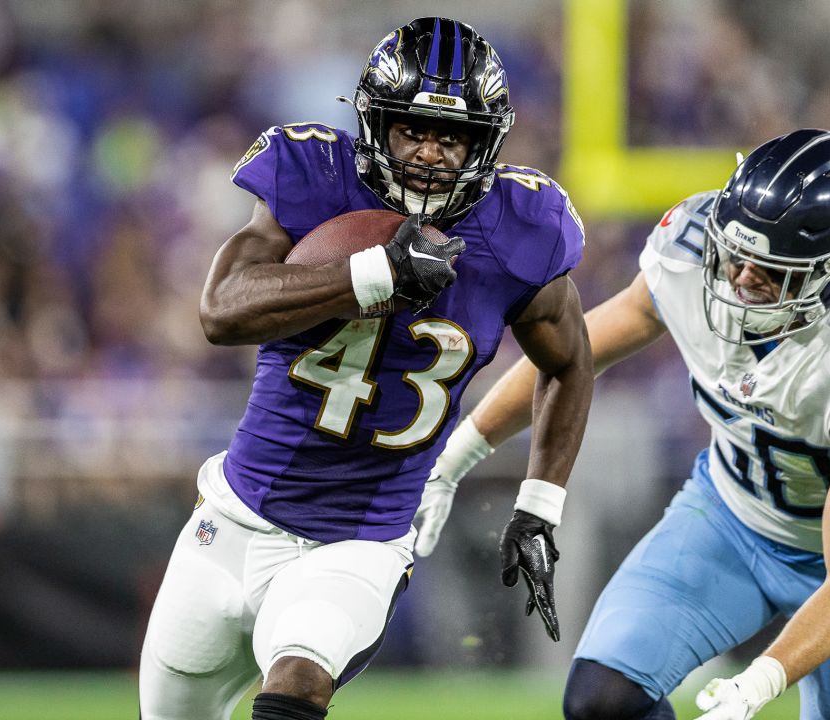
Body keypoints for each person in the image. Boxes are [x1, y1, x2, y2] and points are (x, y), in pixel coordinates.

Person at [138, 17, 593, 720]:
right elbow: (220, 311)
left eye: (453, 136)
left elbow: (570, 360)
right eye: (412, 129)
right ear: (374, 124)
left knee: (297, 684)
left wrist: (540, 503)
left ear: (488, 143)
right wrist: (372, 273)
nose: (431, 155)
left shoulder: (521, 228)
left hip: (360, 539)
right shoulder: (314, 176)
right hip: (231, 518)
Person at [420, 129, 830, 720]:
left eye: (769, 270)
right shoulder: (694, 252)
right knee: (602, 702)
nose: (740, 278)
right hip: (728, 516)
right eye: (736, 255)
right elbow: (573, 352)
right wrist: (453, 458)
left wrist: (755, 687)